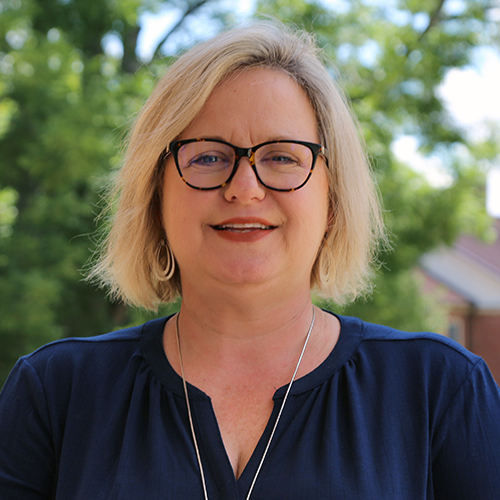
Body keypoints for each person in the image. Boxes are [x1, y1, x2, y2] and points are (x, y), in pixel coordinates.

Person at [1, 21, 499, 500]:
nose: (244, 189)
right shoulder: (54, 393)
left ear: (333, 196)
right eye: (207, 156)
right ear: (155, 194)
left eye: (282, 157)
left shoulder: (442, 390)